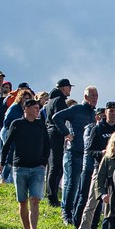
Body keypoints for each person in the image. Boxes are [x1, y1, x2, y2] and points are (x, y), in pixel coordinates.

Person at [5, 92, 52, 229]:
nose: (38, 110)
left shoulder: (40, 125)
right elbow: (7, 145)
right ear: (26, 109)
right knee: (22, 201)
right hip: (20, 167)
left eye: (39, 108)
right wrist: (2, 163)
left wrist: (44, 162)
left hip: (38, 168)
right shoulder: (17, 124)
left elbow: (47, 145)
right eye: (35, 108)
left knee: (35, 199)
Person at [50, 87, 99, 227]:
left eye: (97, 95)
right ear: (85, 96)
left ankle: (75, 214)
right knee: (72, 183)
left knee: (81, 187)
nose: (95, 98)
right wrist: (66, 132)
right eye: (92, 95)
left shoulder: (93, 114)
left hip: (86, 155)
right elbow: (56, 117)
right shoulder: (76, 109)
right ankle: (66, 213)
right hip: (73, 152)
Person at [44, 78, 76, 206]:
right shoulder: (59, 101)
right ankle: (52, 196)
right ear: (63, 88)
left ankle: (51, 193)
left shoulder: (50, 100)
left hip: (50, 133)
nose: (70, 90)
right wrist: (66, 133)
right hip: (56, 134)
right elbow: (59, 118)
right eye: (69, 87)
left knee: (53, 165)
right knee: (56, 166)